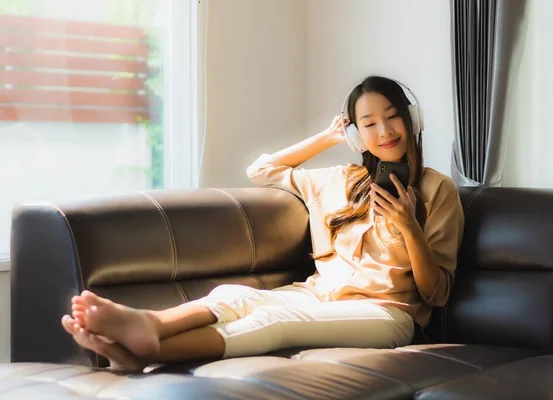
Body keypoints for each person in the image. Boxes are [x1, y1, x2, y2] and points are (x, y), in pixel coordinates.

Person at [61, 75, 464, 373]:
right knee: (234, 296)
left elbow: (437, 293)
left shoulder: (437, 190)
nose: (384, 130)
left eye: (392, 117)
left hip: (387, 314)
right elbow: (263, 169)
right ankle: (149, 324)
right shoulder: (338, 180)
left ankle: (150, 349)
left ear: (411, 119)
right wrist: (328, 137)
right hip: (319, 295)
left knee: (273, 321)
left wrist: (409, 227)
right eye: (369, 123)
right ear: (358, 134)